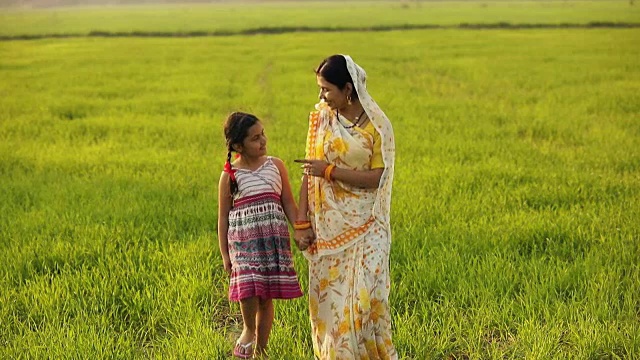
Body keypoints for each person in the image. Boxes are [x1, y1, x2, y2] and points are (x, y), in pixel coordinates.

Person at [294, 55, 397, 359]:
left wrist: (330, 171)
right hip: (328, 227)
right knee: (332, 310)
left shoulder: (378, 126)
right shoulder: (322, 118)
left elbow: (378, 178)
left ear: (348, 88)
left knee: (362, 307)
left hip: (367, 226)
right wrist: (301, 223)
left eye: (326, 89)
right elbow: (309, 171)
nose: (321, 96)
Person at [218, 111, 303, 359]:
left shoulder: (275, 166)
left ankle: (261, 350)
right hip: (244, 243)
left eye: (263, 134)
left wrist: (300, 228)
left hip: (272, 242)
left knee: (266, 299)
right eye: (255, 138)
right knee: (248, 288)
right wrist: (225, 254)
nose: (263, 141)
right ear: (237, 146)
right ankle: (247, 329)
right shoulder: (230, 175)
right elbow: (223, 217)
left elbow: (288, 201)